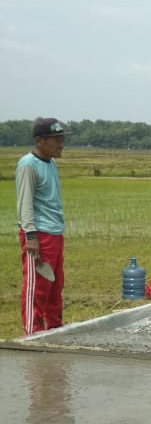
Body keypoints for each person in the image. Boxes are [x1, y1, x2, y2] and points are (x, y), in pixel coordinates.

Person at [16, 118, 68, 335]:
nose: (61, 144)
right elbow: (24, 202)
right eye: (56, 139)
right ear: (40, 141)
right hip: (38, 235)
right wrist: (31, 236)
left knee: (55, 287)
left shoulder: (51, 163)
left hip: (55, 233)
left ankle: (55, 329)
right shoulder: (28, 165)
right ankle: (33, 332)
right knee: (37, 287)